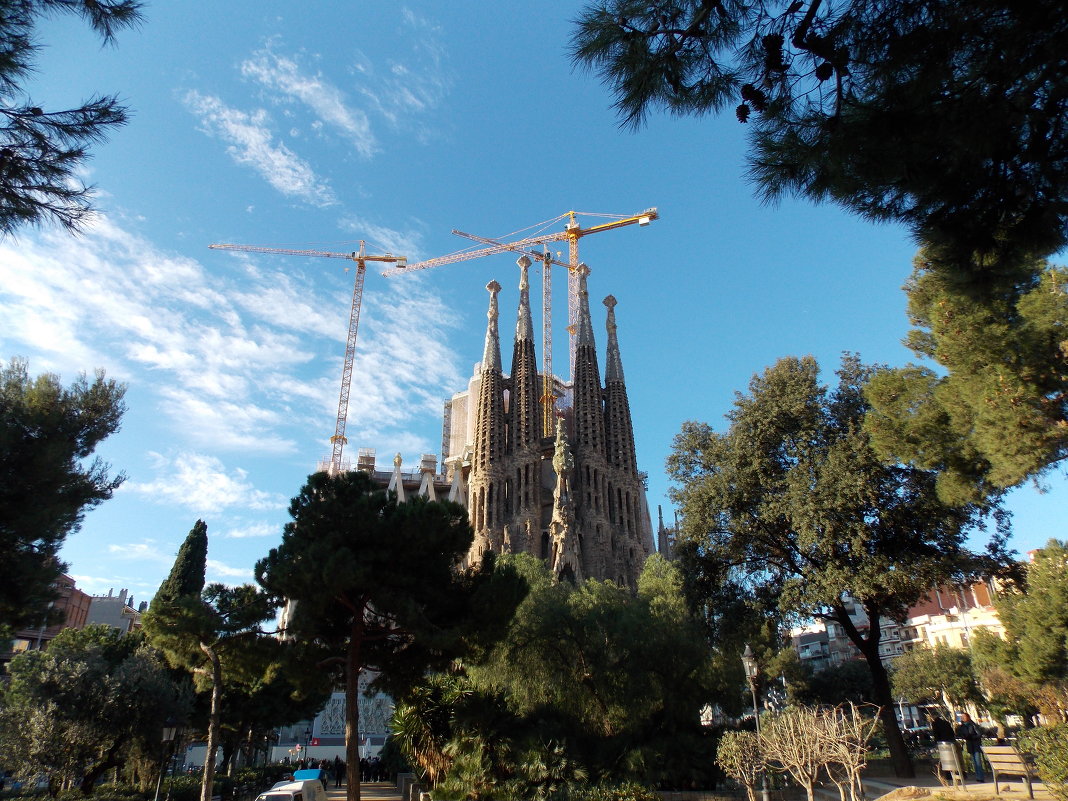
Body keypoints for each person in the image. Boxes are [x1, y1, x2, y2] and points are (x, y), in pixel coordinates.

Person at [956, 713, 986, 781]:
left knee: (977, 761)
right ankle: (978, 776)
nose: (962, 718)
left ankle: (980, 777)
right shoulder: (963, 726)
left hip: (975, 744)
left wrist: (972, 737)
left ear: (968, 717)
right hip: (969, 744)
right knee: (974, 761)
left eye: (964, 716)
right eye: (962, 717)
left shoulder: (972, 724)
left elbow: (979, 734)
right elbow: (962, 734)